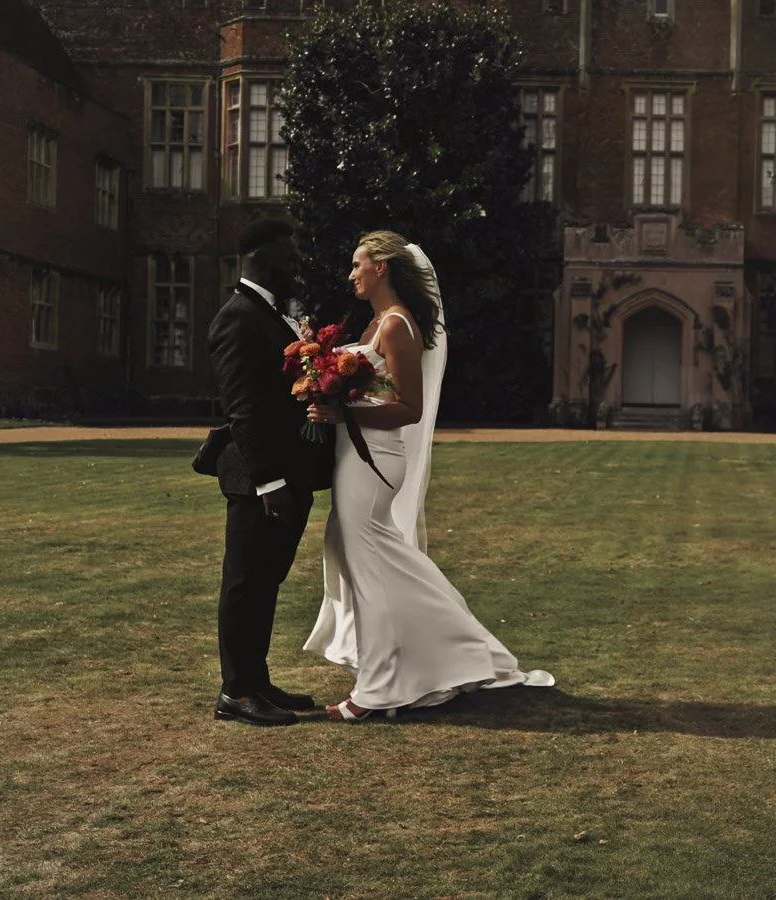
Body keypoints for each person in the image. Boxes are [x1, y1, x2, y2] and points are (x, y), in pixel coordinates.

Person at [302, 230, 553, 721]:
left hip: (374, 458)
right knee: (375, 558)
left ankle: (374, 690)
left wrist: (343, 414)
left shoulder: (397, 325)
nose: (351, 273)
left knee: (369, 564)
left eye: (358, 264)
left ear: (382, 268)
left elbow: (409, 409)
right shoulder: (376, 321)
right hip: (356, 455)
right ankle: (460, 648)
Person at [206, 219, 326, 727]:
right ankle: (236, 692)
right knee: (244, 583)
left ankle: (256, 681)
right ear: (257, 257)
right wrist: (269, 482)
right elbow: (244, 411)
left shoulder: (271, 315)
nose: (296, 267)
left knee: (266, 582)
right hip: (260, 481)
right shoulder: (238, 318)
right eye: (288, 259)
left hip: (284, 476)